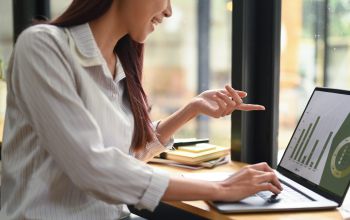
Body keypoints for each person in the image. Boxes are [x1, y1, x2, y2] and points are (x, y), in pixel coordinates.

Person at [0, 0, 282, 219]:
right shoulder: (43, 47)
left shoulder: (119, 67)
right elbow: (94, 169)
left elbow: (125, 158)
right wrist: (222, 188)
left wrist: (191, 109)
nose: (169, 11)